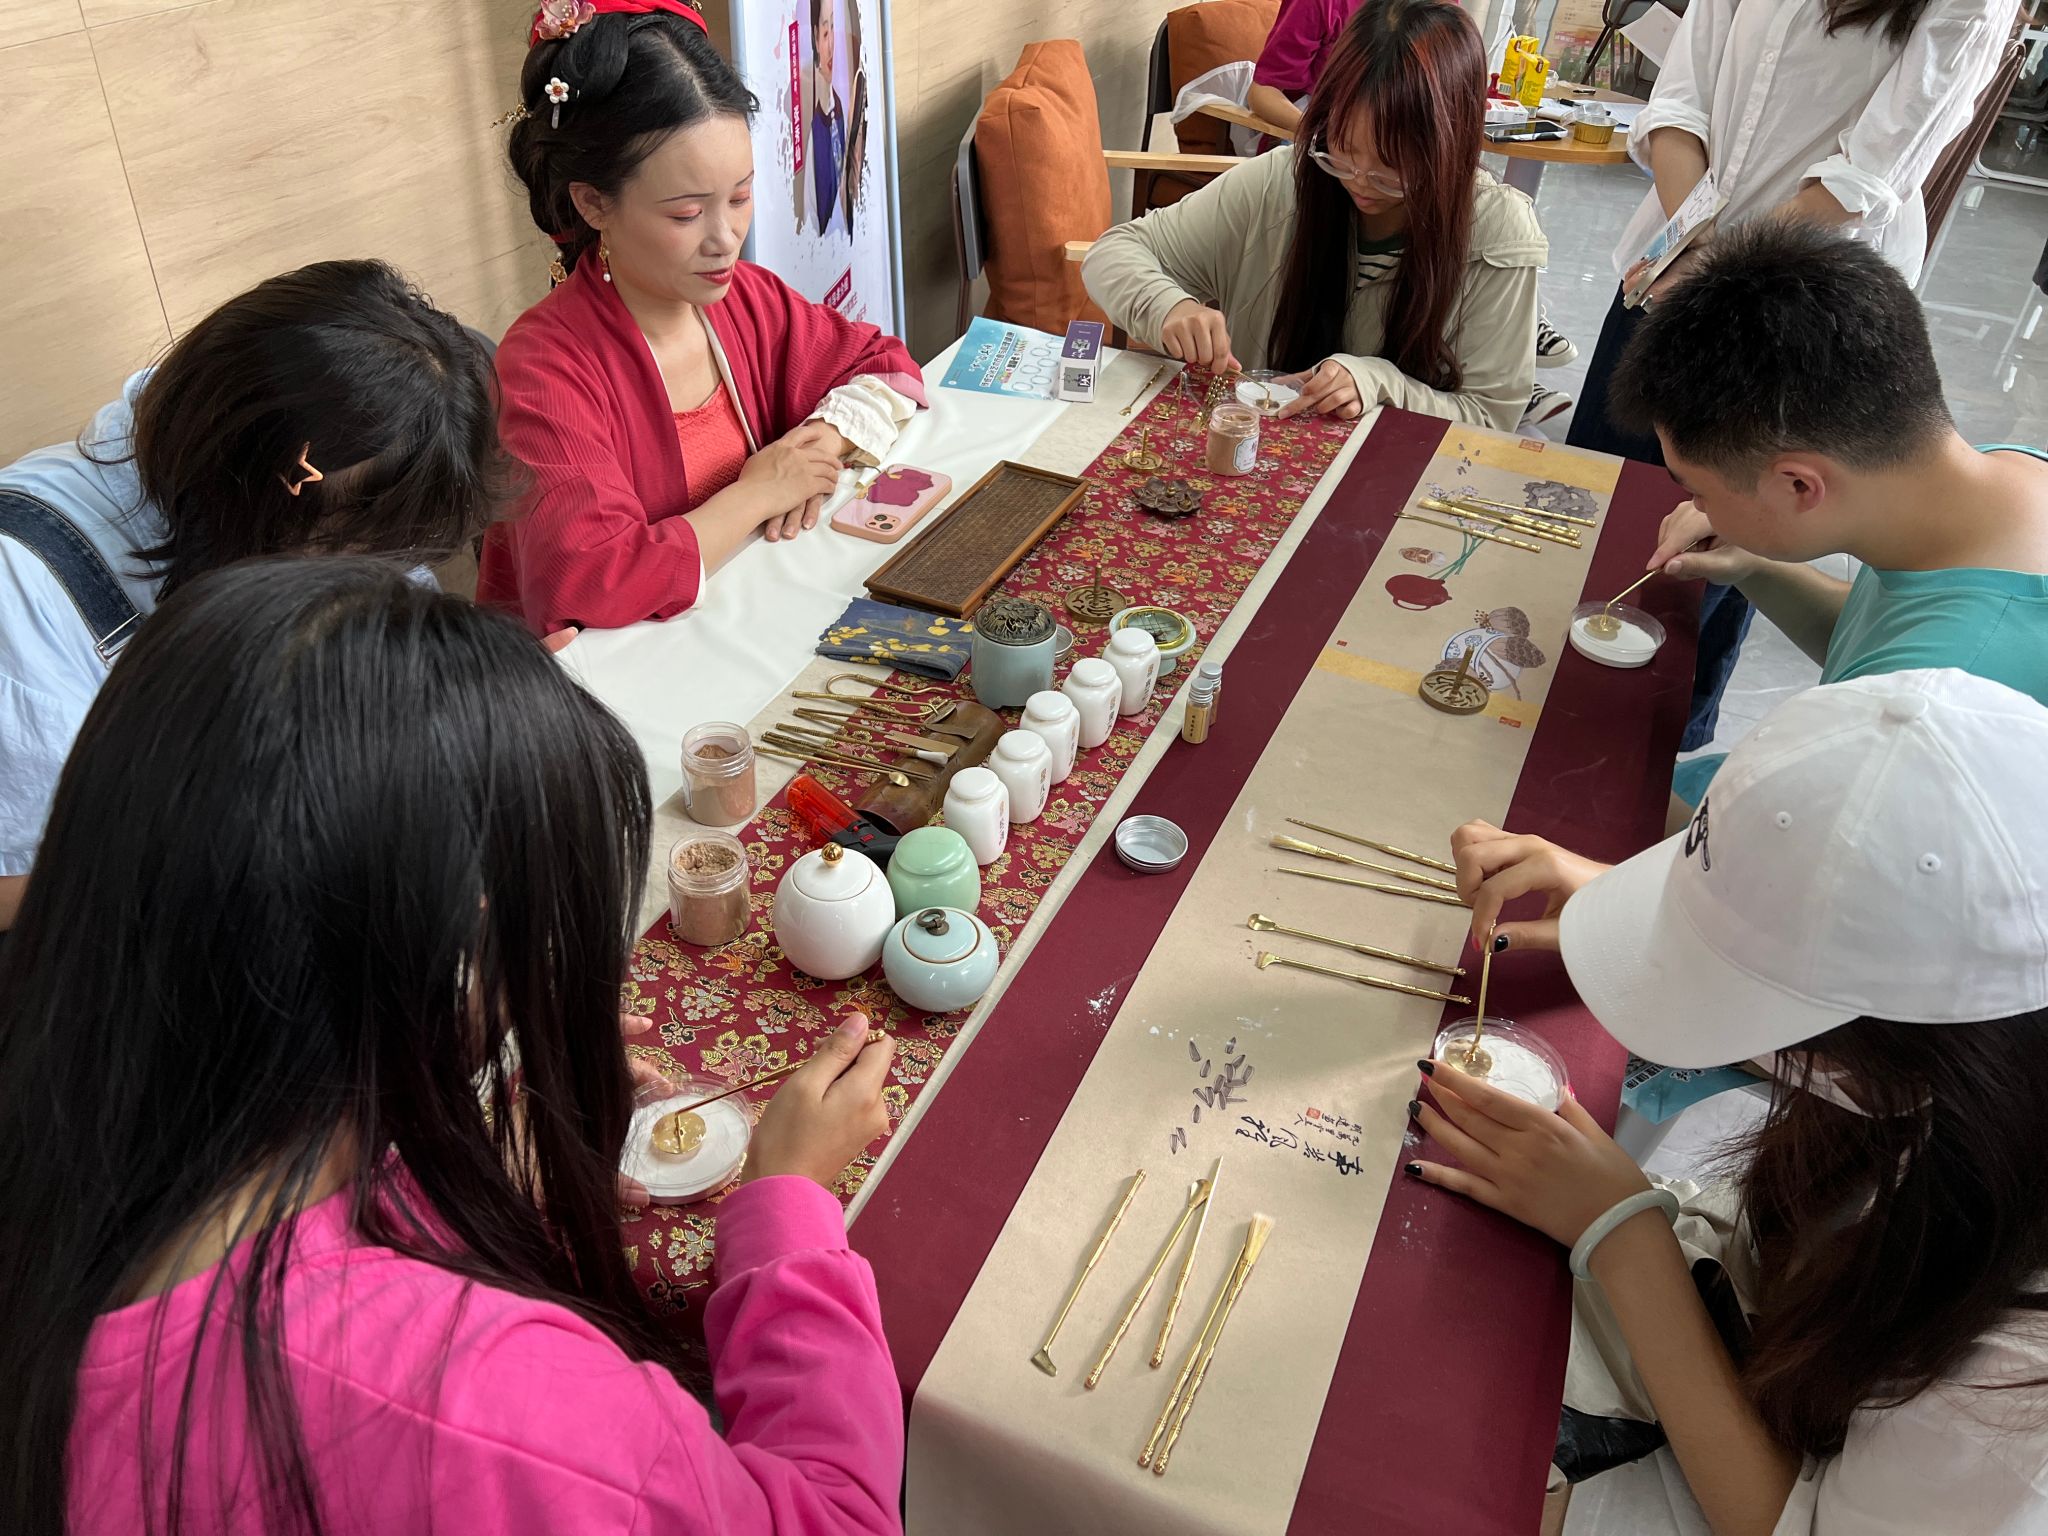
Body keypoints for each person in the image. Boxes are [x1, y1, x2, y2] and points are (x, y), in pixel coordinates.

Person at [0, 557, 903, 1534]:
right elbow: (836, 1519)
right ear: (454, 944)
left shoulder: (71, 1144)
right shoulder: (482, 1401)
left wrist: (463, 1177)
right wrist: (788, 1209)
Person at [1425, 669, 2048, 1534]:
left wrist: (1624, 1233)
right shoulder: (1981, 1065)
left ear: (1899, 1062)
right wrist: (1665, 918)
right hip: (1773, 1326)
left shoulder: (2013, 1402)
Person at [0, 259, 507, 932]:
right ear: (249, 506)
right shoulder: (26, 593)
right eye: (351, 551)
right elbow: (17, 886)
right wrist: (267, 854)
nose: (374, 577)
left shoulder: (354, 473)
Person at [1565, 0, 2013, 753]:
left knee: (1724, 536)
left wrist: (1720, 279)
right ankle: (1552, 698)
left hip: (1796, 313)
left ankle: (1656, 754)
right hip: (1670, 267)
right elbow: (1679, 101)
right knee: (1598, 499)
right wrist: (1692, 248)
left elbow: (1864, 176)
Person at [482, 0, 924, 636]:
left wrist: (817, 448)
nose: (726, 239)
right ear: (594, 203)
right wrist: (757, 494)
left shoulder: (745, 298)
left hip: (758, 624)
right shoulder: (545, 366)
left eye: (740, 197)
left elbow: (884, 364)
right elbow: (592, 577)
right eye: (687, 214)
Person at [1619, 220, 2048, 808]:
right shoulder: (1999, 477)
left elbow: (1746, 856)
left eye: (1698, 490)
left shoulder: (1922, 716)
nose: (1695, 507)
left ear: (1798, 485)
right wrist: (1755, 566)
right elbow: (1881, 635)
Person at [1083, 0, 1546, 433]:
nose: (1360, 180)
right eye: (1343, 148)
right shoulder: (1283, 179)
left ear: (1449, 147)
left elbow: (1490, 416)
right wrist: (1168, 306)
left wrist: (1379, 383)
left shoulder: (1497, 231)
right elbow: (1115, 252)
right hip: (1255, 455)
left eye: (1390, 167)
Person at [807, 0, 849, 236]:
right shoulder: (813, 132)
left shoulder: (843, 107)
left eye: (834, 27)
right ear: (815, 38)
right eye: (825, 32)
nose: (832, 43)